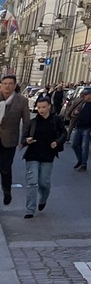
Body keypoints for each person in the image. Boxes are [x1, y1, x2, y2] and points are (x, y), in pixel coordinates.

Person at [21, 96, 66, 219]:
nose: (41, 110)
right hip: (32, 154)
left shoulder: (56, 120)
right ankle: (30, 209)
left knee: (43, 183)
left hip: (47, 155)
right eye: (39, 107)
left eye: (43, 107)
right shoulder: (33, 122)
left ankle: (44, 197)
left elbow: (64, 134)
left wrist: (57, 142)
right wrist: (27, 140)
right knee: (32, 182)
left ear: (49, 107)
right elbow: (24, 137)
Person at [0, 74, 32, 203]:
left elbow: (27, 121)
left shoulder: (21, 101)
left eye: (10, 84)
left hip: (9, 140)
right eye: (5, 83)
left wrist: (24, 140)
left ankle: (7, 191)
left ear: (14, 86)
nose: (7, 86)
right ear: (1, 85)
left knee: (5, 168)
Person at [71, 87, 91, 172]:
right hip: (79, 126)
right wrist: (75, 113)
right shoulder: (83, 102)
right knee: (74, 145)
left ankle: (84, 164)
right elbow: (76, 111)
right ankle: (80, 160)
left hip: (88, 128)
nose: (83, 96)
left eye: (85, 94)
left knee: (85, 147)